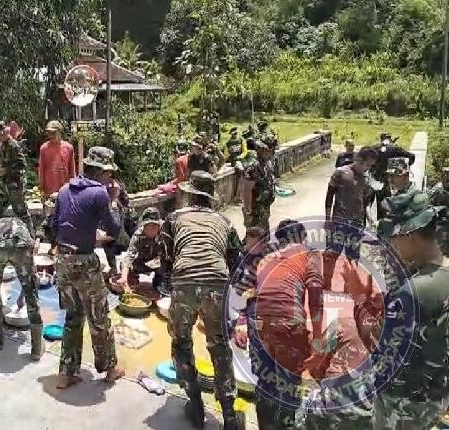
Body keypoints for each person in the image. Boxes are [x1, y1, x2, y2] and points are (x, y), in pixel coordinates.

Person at [161, 170, 242, 429]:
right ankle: (229, 415)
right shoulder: (225, 221)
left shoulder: (174, 218)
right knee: (220, 346)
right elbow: (236, 259)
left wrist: (172, 287)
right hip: (217, 282)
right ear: (210, 197)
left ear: (190, 195)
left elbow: (167, 259)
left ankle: (195, 404)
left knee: (181, 342)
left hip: (184, 280)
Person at [235, 220, 324, 430]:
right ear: (302, 238)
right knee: (288, 386)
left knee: (265, 382)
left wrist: (242, 323)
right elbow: (315, 294)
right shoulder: (309, 254)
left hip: (259, 324)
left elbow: (246, 294)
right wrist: (318, 336)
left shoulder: (266, 259)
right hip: (288, 324)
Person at [373, 190, 448, 429]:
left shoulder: (412, 292)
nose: (392, 244)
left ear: (411, 235)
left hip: (404, 406)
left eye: (395, 238)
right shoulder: (442, 274)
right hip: (437, 397)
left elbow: (384, 358)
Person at [53, 146, 124, 389]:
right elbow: (114, 229)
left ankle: (66, 373)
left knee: (73, 317)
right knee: (99, 317)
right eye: (109, 173)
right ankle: (110, 369)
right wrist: (113, 200)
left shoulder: (65, 189)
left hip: (62, 260)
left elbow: (54, 226)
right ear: (103, 172)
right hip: (84, 261)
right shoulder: (99, 193)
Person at [0, 217, 44, 359]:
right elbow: (30, 281)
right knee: (30, 289)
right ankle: (36, 347)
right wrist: (23, 297)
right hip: (20, 246)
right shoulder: (26, 233)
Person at [323, 146, 378, 291]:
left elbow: (366, 202)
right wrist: (327, 219)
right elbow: (329, 197)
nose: (368, 168)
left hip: (356, 224)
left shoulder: (366, 179)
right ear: (359, 159)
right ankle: (326, 284)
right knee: (331, 254)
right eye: (367, 165)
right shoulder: (340, 173)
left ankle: (348, 287)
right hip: (338, 222)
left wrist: (370, 218)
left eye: (371, 166)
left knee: (353, 257)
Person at [0, 120, 34, 234]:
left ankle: (30, 236)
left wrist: (6, 170)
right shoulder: (2, 145)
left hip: (15, 184)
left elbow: (22, 164)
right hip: (5, 183)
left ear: (3, 133)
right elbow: (6, 160)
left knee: (21, 211)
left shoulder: (13, 145)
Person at [117, 207, 164, 294]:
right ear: (144, 226)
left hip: (161, 263)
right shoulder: (138, 236)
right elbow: (129, 257)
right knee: (126, 267)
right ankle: (132, 285)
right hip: (144, 262)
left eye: (155, 226)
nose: (152, 229)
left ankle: (160, 284)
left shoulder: (166, 232)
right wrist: (124, 278)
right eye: (149, 226)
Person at [371, 133, 415, 219]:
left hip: (377, 180)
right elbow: (411, 157)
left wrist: (372, 168)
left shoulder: (374, 148)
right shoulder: (395, 148)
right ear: (390, 139)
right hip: (393, 179)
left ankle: (381, 221)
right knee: (394, 201)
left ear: (381, 139)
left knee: (380, 201)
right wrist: (404, 167)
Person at [38, 120, 76, 205]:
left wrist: (73, 186)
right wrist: (41, 188)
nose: (51, 135)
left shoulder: (68, 148)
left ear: (60, 132)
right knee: (50, 211)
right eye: (49, 133)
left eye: (54, 133)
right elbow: (41, 169)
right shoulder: (44, 148)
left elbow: (72, 169)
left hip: (64, 189)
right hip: (48, 190)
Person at [243, 141, 276, 230]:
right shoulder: (253, 166)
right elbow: (247, 188)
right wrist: (247, 209)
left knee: (265, 226)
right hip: (256, 206)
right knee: (255, 229)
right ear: (260, 151)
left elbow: (269, 181)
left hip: (265, 204)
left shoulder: (267, 164)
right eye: (267, 151)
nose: (270, 153)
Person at [428, 166, 449, 257]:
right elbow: (427, 201)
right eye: (446, 174)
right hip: (441, 222)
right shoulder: (438, 188)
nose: (447, 176)